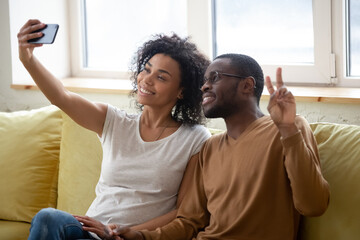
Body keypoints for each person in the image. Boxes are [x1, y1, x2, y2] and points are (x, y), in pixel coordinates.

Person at [17, 19, 212, 240]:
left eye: (161, 77)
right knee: (48, 218)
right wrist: (28, 59)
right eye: (146, 70)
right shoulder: (114, 122)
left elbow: (182, 212)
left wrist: (125, 232)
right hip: (87, 234)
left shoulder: (194, 139)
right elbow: (62, 97)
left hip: (130, 237)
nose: (146, 80)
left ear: (182, 92)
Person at [114, 53, 331, 240]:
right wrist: (141, 236)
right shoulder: (209, 148)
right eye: (204, 80)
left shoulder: (287, 129)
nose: (204, 86)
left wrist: (288, 130)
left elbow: (313, 205)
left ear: (246, 85)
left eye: (215, 77)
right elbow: (189, 221)